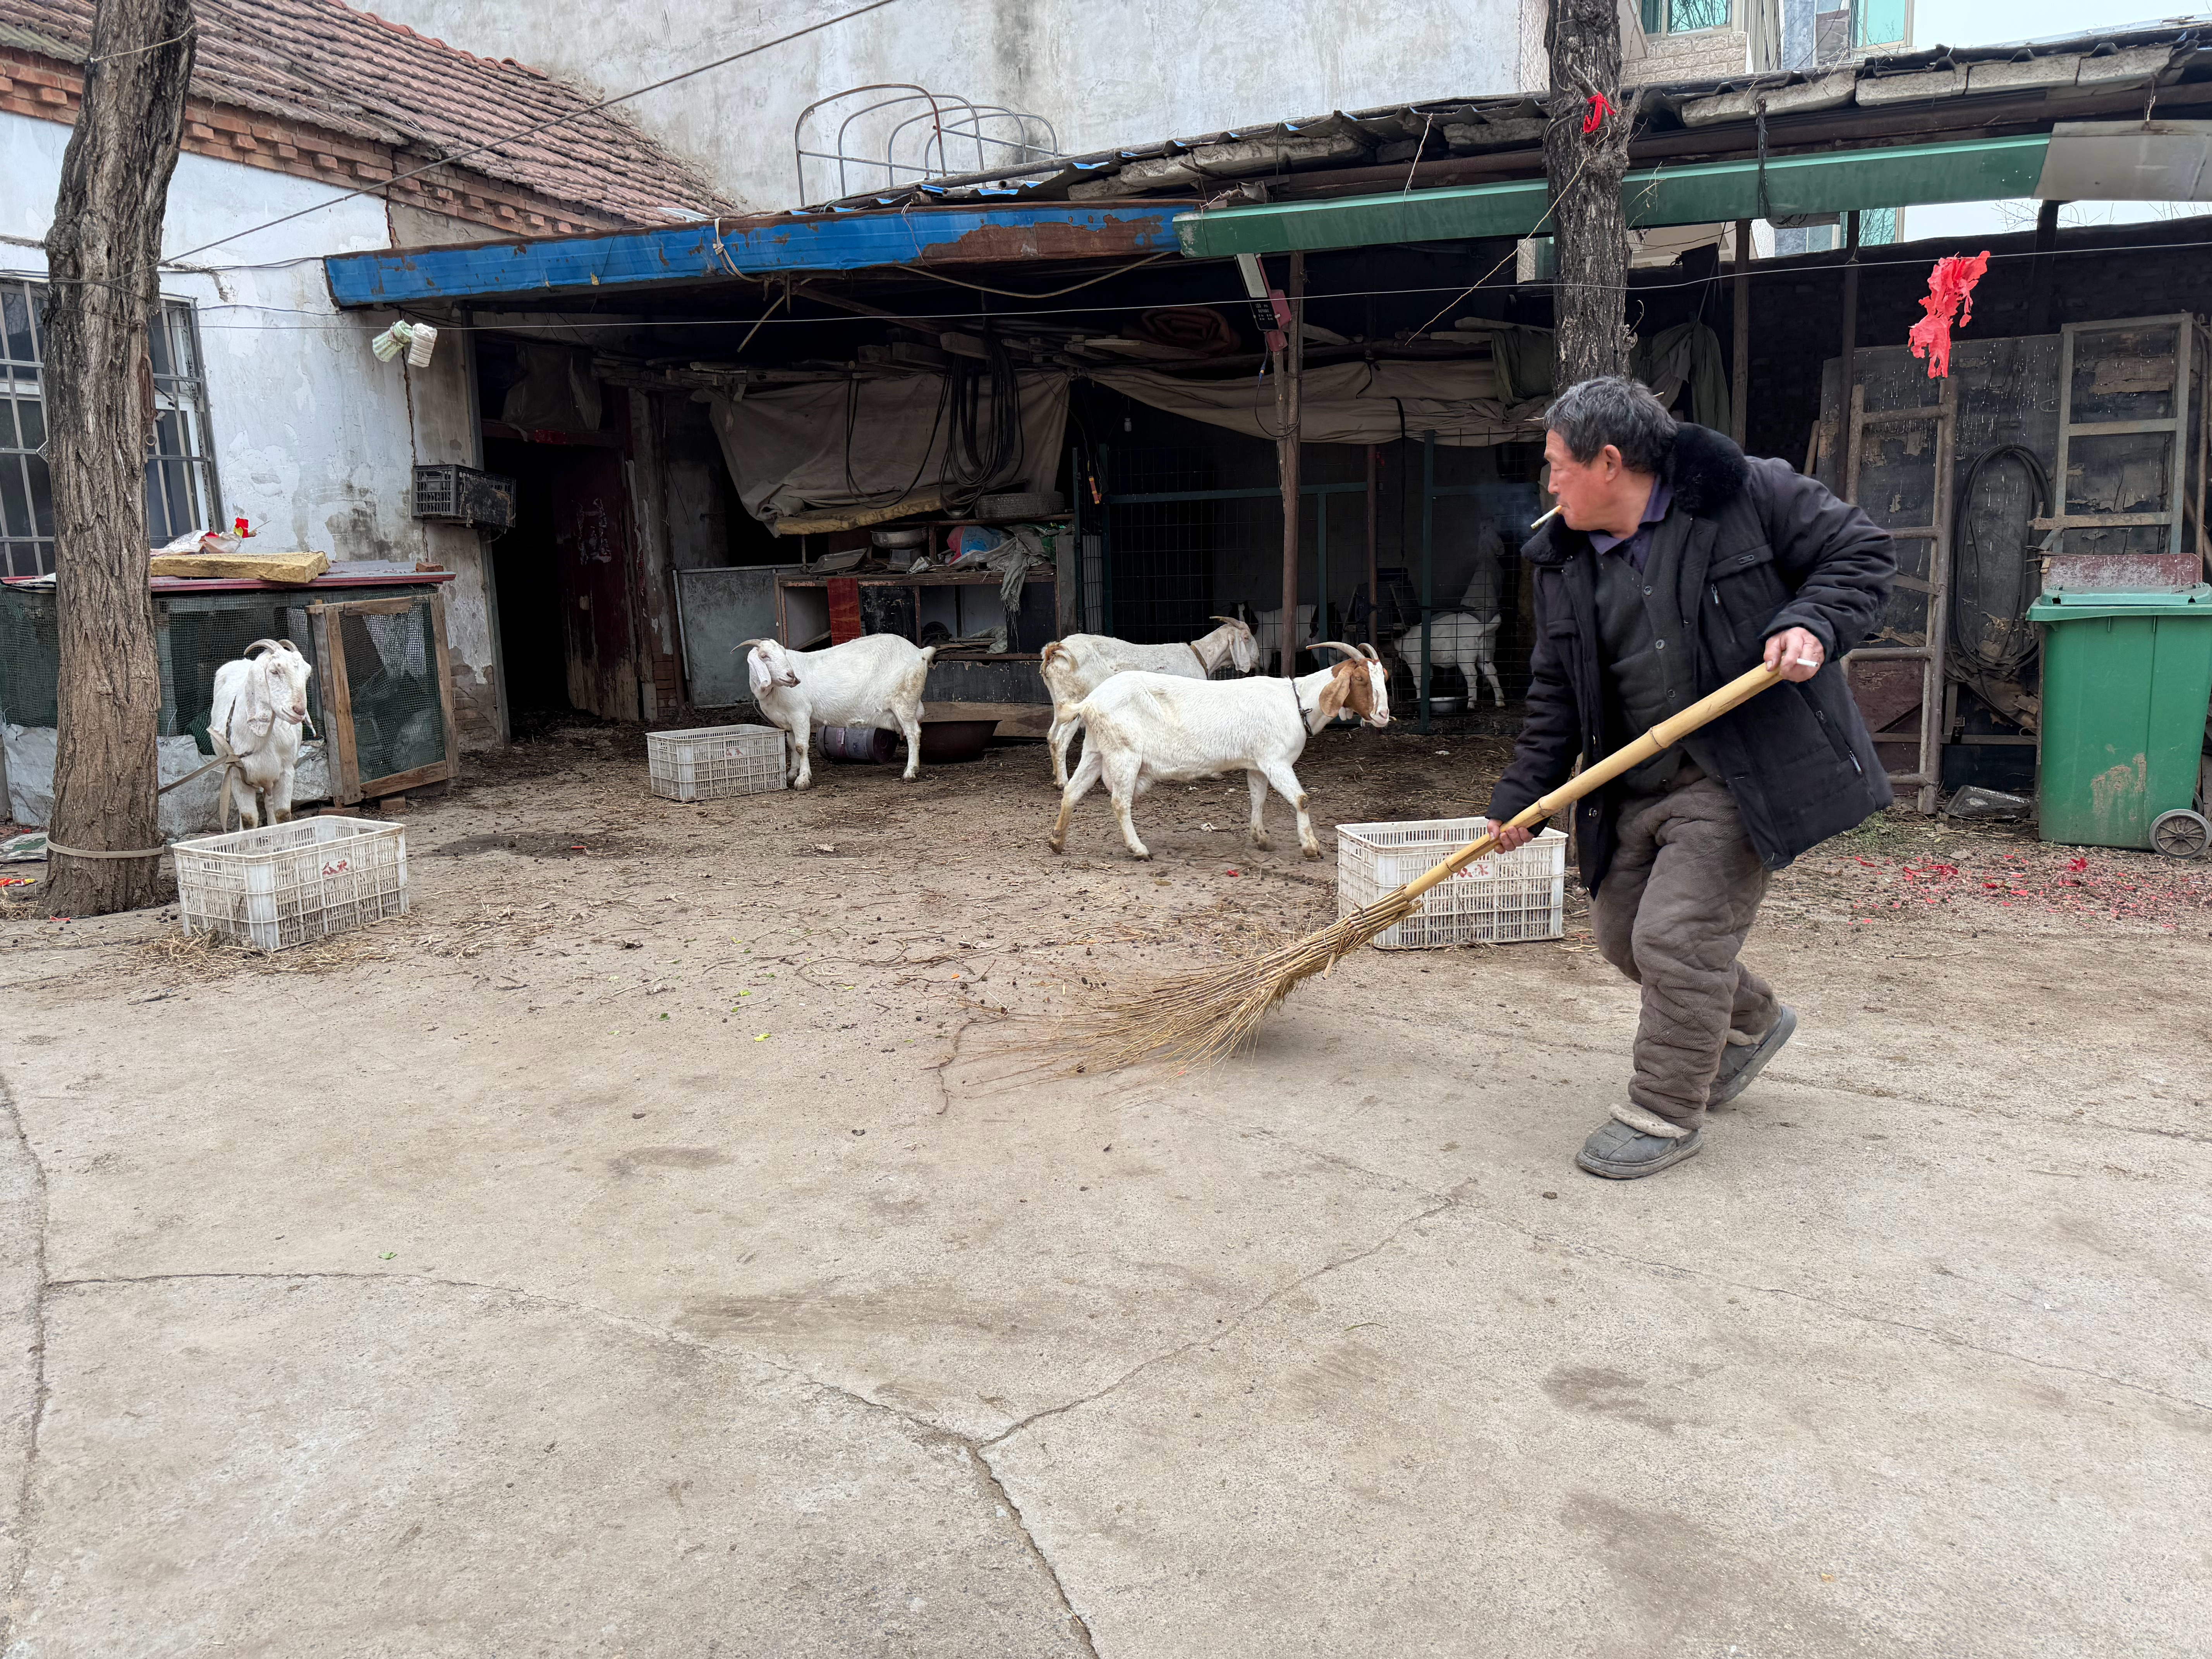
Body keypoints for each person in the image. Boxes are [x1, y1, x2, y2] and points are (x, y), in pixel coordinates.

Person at [1482, 376, 1894, 1180]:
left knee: (1675, 939)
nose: (1550, 483)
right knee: (1621, 934)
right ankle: (1749, 1023)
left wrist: (1812, 621)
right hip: (1632, 778)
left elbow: (1863, 554)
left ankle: (1664, 1112)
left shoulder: (1747, 493)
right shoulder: (1563, 561)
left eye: (1557, 466)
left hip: (1740, 772)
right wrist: (1522, 800)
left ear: (1610, 462)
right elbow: (1556, 693)